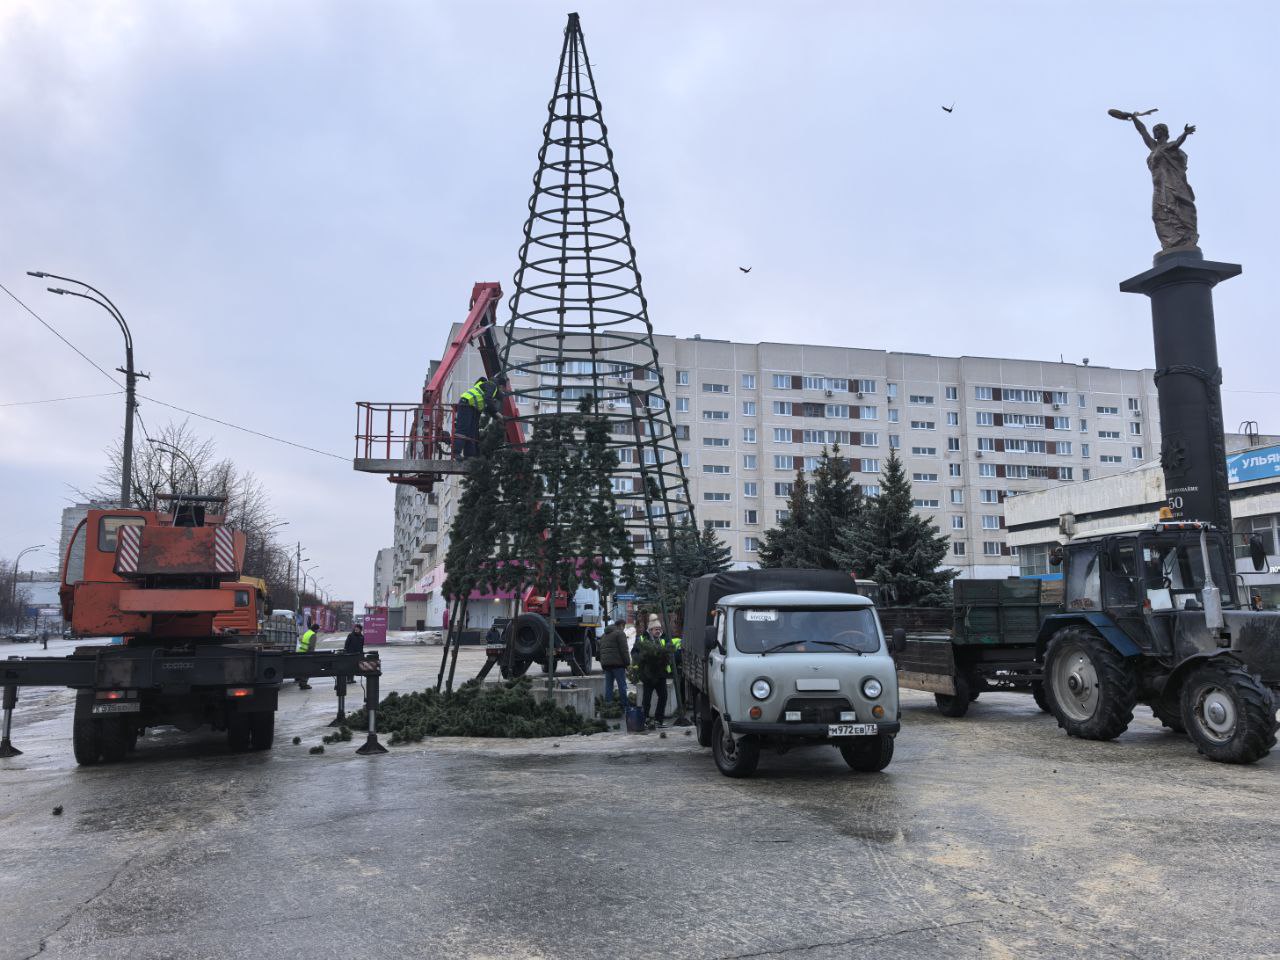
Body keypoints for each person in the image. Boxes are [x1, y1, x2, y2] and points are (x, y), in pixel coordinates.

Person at [635, 615, 678, 727]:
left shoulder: (664, 639)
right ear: (650, 630)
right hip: (648, 675)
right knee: (647, 699)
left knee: (663, 696)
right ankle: (645, 719)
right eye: (656, 629)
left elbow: (671, 650)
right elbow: (634, 654)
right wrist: (641, 658)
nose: (658, 631)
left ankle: (659, 719)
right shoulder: (643, 639)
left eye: (659, 629)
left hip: (660, 674)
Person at [451, 377, 492, 460]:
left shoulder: (479, 388)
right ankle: (457, 452)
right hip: (466, 404)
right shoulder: (484, 387)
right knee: (463, 429)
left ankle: (470, 455)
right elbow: (488, 402)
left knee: (472, 432)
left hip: (473, 407)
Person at [597, 619, 630, 707]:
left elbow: (599, 651)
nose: (624, 629)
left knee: (609, 687)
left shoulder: (604, 635)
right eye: (624, 626)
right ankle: (625, 706)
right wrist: (627, 663)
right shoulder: (620, 633)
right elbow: (624, 650)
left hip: (606, 665)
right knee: (622, 686)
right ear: (621, 625)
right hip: (618, 664)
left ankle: (608, 706)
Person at [340, 621, 364, 688]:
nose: (356, 629)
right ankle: (348, 679)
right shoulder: (350, 635)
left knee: (354, 666)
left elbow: (361, 646)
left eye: (357, 629)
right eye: (355, 628)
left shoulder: (362, 637)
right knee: (349, 666)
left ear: (360, 630)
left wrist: (361, 653)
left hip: (357, 654)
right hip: (350, 654)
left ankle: (352, 679)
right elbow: (346, 644)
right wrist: (345, 651)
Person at [296, 621, 317, 689]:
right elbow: (311, 646)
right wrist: (312, 656)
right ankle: (303, 684)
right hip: (307, 654)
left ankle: (301, 682)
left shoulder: (307, 633)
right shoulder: (313, 635)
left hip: (301, 652)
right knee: (307, 669)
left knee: (302, 669)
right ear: (316, 629)